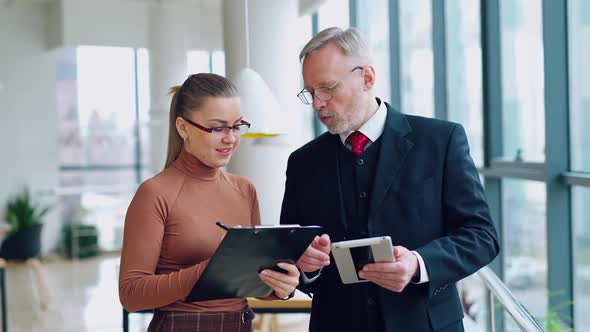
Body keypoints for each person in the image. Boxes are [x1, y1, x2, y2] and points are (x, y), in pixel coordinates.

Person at [282, 27, 500, 332]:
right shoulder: (303, 162)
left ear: (367, 78)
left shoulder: (441, 141)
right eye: (310, 92)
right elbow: (291, 254)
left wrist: (418, 263)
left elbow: (482, 237)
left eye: (328, 88)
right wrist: (305, 267)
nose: (318, 103)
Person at [119, 73, 300, 332]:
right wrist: (211, 269)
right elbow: (131, 294)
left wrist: (280, 286)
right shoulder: (154, 193)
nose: (230, 138)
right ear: (183, 128)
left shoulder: (244, 190)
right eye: (217, 128)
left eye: (237, 126)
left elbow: (251, 281)